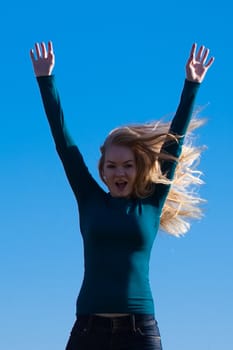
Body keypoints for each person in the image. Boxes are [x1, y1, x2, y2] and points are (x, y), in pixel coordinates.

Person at [30, 41, 214, 350]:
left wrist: (192, 85)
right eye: (112, 166)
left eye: (127, 166)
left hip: (139, 332)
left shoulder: (152, 203)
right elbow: (65, 146)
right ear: (102, 170)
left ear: (139, 169)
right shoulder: (89, 199)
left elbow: (174, 146)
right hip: (89, 329)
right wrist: (46, 81)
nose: (119, 173)